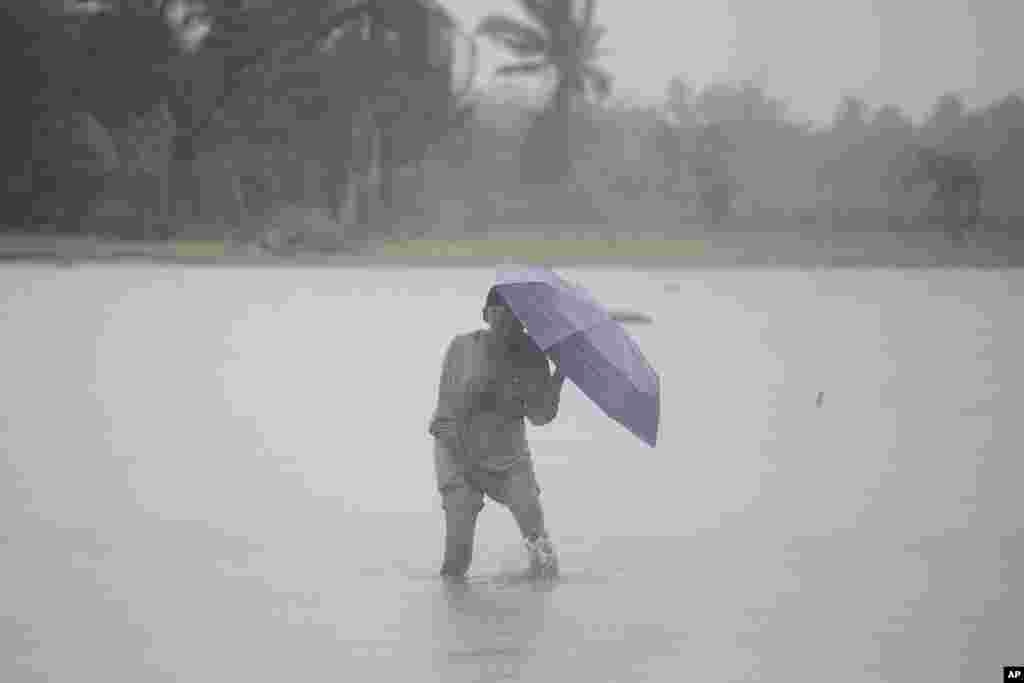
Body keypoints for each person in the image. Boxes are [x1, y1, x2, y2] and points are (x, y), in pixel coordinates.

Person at [428, 286, 566, 580]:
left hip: (510, 456)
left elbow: (541, 416)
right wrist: (468, 470)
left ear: (524, 321)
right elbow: (447, 416)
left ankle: (539, 597)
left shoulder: (532, 355)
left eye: (515, 316)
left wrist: (559, 375)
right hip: (456, 452)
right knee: (458, 550)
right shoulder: (463, 347)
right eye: (499, 313)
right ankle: (453, 600)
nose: (507, 322)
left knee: (541, 546)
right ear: (485, 315)